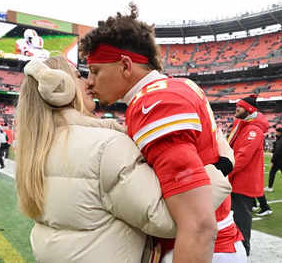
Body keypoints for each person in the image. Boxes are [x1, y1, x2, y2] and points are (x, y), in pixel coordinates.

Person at [80, 4, 245, 263]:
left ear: (125, 66)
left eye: (95, 71)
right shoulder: (175, 87)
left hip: (195, 250)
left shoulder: (155, 103)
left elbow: (198, 225)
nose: (89, 82)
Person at [17, 56, 180, 263]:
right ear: (60, 86)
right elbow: (165, 221)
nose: (88, 82)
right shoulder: (107, 146)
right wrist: (216, 170)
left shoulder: (37, 149)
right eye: (78, 76)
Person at [227, 95, 269, 256]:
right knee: (234, 218)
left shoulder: (253, 130)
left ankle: (244, 252)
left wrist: (225, 171)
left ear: (249, 109)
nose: (236, 108)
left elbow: (242, 157)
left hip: (243, 183)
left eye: (240, 106)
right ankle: (237, 250)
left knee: (241, 220)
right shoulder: (244, 126)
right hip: (236, 180)